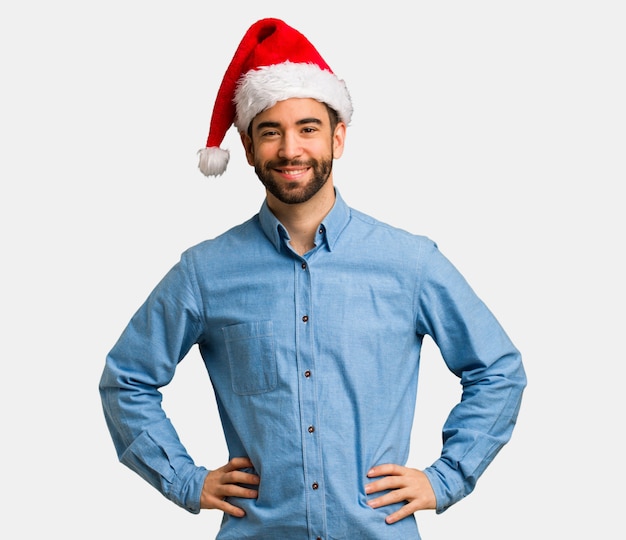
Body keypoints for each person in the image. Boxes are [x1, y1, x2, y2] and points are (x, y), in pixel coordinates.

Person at [99, 17, 526, 540]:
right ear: (250, 147)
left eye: (308, 128)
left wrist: (447, 477)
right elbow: (127, 379)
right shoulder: (205, 272)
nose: (290, 150)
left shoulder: (409, 262)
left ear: (337, 137)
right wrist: (186, 481)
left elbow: (498, 371)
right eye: (270, 131)